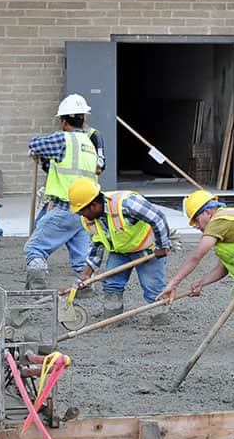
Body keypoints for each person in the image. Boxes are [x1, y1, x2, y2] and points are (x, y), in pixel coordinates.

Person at [159, 190, 234, 349]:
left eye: (195, 219)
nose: (195, 226)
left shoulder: (219, 222)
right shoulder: (227, 222)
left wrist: (173, 283)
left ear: (208, 213)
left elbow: (196, 255)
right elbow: (223, 268)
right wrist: (202, 282)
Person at [69, 178, 173, 325]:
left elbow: (158, 218)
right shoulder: (90, 219)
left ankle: (160, 321)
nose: (81, 215)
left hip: (147, 250)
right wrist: (87, 273)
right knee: (112, 285)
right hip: (120, 252)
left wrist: (162, 246)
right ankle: (112, 318)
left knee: (153, 289)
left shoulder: (127, 203)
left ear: (93, 205)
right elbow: (97, 244)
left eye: (81, 211)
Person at [24, 98, 99, 289]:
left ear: (64, 122)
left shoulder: (63, 139)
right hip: (84, 212)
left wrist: (37, 153)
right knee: (81, 258)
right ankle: (86, 287)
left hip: (65, 207)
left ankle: (37, 288)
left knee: (34, 248)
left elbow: (35, 144)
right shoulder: (89, 144)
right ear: (83, 119)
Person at [40, 94, 106, 175]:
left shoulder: (93, 135)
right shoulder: (63, 138)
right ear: (85, 117)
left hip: (77, 186)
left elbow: (100, 166)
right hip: (82, 186)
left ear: (64, 121)